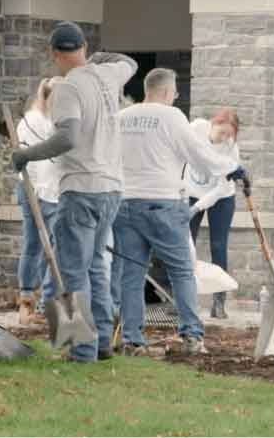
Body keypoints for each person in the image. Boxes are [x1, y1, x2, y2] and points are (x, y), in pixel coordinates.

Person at [10, 21, 137, 363]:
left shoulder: (67, 88)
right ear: (83, 47)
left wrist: (26, 155)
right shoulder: (108, 75)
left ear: (53, 53)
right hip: (112, 189)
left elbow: (68, 138)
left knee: (71, 271)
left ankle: (80, 350)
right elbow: (130, 62)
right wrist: (95, 59)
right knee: (95, 267)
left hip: (80, 188)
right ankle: (101, 343)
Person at [113, 69, 244, 356]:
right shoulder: (171, 116)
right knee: (182, 272)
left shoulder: (121, 117)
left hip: (125, 204)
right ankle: (192, 337)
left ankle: (132, 339)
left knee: (131, 274)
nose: (174, 98)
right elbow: (199, 155)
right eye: (174, 93)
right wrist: (232, 167)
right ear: (166, 92)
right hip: (162, 204)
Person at [184, 107, 243, 319]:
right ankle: (183, 297)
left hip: (221, 197)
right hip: (191, 192)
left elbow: (220, 188)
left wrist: (197, 208)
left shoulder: (231, 149)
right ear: (214, 123)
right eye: (223, 132)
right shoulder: (196, 128)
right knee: (185, 245)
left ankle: (219, 303)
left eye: (229, 136)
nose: (224, 138)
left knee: (218, 246)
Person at [16, 77, 62, 326]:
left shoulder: (46, 119)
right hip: (37, 189)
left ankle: (41, 301)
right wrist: (35, 191)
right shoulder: (36, 121)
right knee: (41, 245)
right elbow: (29, 160)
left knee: (45, 247)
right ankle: (31, 300)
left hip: (45, 189)